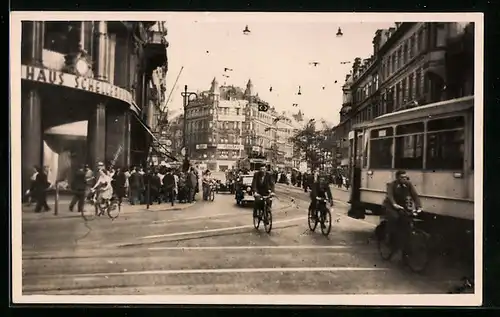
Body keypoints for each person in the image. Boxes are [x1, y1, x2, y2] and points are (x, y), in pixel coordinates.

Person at [382, 170, 423, 250]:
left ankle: (404, 239)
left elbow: (415, 196)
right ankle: (389, 236)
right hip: (390, 205)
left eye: (405, 177)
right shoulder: (392, 185)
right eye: (402, 177)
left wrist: (419, 207)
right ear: (397, 178)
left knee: (408, 219)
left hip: (402, 206)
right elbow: (390, 196)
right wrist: (394, 204)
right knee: (394, 217)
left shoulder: (408, 184)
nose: (404, 179)